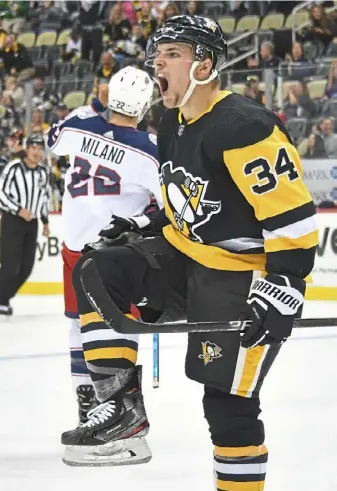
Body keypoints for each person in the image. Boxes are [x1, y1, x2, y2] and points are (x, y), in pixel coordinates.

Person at [61, 15, 318, 491]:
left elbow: (295, 220)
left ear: (205, 64)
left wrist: (285, 286)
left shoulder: (245, 125)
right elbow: (185, 203)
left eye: (172, 54)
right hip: (184, 258)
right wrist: (143, 224)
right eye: (156, 55)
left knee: (227, 406)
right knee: (100, 268)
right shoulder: (171, 122)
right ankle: (122, 411)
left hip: (240, 277)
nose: (158, 62)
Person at [47, 66, 163, 424]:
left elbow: (53, 140)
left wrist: (94, 110)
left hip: (75, 241)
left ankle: (87, 402)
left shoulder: (80, 124)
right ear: (144, 107)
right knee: (118, 321)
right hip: (114, 252)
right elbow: (169, 204)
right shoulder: (149, 149)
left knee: (77, 324)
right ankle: (115, 406)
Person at [0, 134, 50, 316]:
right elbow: (1, 193)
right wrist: (18, 209)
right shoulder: (14, 167)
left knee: (27, 267)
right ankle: (2, 301)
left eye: (40, 149)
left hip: (32, 224)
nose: (37, 152)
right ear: (27, 149)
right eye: (33, 148)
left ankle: (2, 296)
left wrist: (45, 221)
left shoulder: (44, 172)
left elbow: (43, 198)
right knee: (10, 264)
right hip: (12, 221)